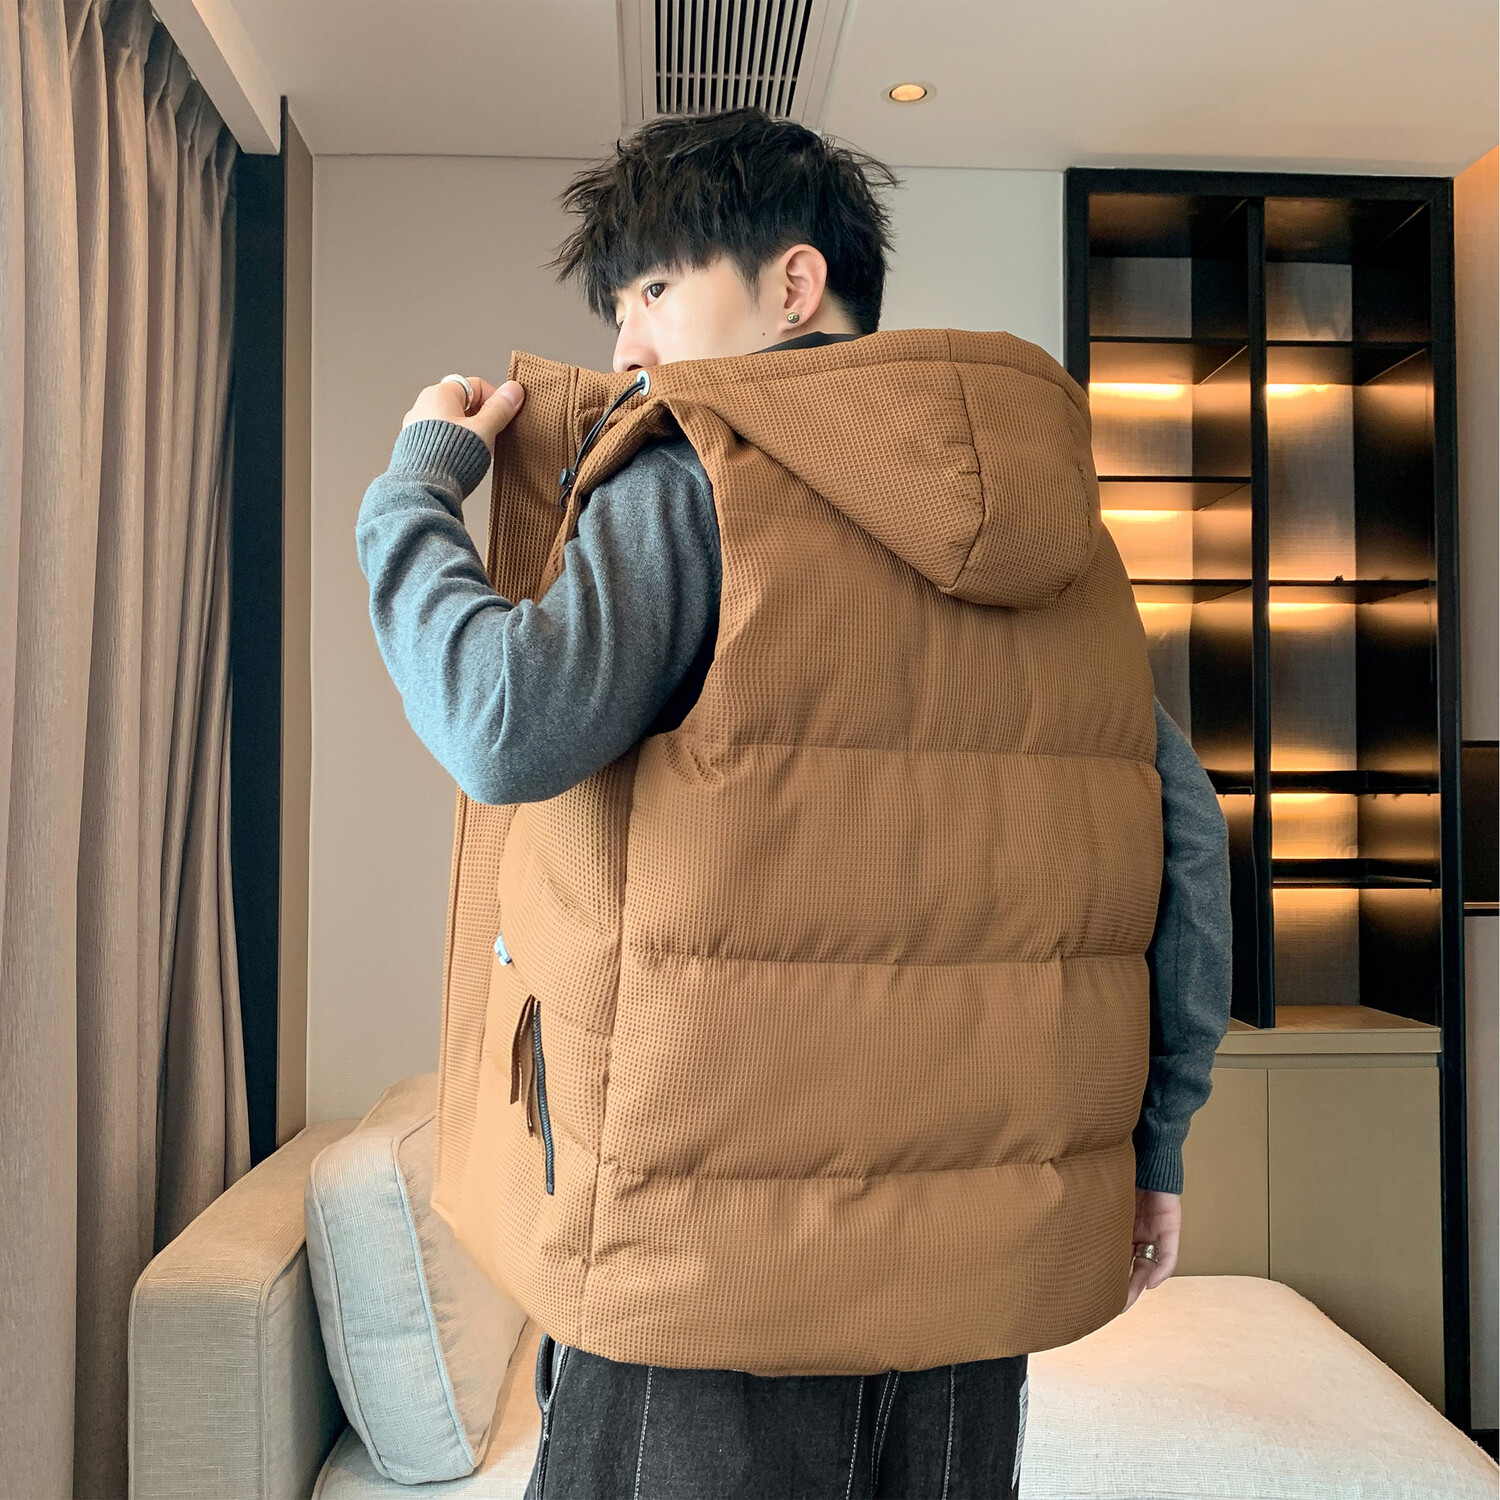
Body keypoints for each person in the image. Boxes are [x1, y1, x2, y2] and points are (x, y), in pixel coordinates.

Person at [356, 106, 1232, 1500]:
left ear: (795, 286)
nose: (629, 346)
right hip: (968, 1311)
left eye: (654, 289)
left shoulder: (697, 479)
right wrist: (1157, 1141)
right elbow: (1182, 843)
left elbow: (503, 723)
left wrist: (412, 493)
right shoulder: (1069, 545)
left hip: (699, 1292)